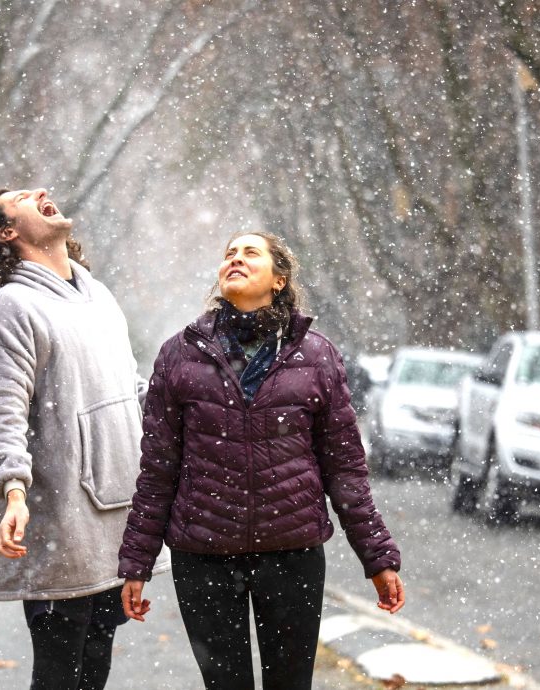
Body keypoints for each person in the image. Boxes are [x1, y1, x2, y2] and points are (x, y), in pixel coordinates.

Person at [117, 231, 405, 690]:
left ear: (279, 279)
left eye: (251, 252)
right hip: (203, 556)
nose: (236, 259)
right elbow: (157, 470)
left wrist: (378, 557)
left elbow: (345, 468)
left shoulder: (317, 355)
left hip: (291, 553)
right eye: (229, 253)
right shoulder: (179, 355)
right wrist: (137, 563)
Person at [0, 187, 168, 690]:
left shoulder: (97, 294)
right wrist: (12, 489)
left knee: (94, 667)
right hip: (61, 529)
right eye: (22, 198)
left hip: (115, 521)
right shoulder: (9, 307)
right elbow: (0, 411)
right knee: (60, 674)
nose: (42, 193)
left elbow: (130, 390)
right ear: (5, 231)